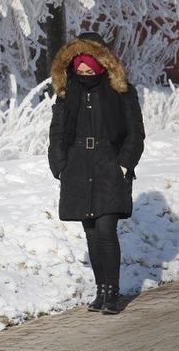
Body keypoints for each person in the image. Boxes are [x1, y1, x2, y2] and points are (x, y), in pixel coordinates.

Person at [47, 31, 145, 315]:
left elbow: (135, 133)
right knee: (90, 232)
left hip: (109, 165)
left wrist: (124, 164)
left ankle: (113, 292)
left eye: (90, 67)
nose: (85, 72)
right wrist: (59, 164)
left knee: (105, 229)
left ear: (102, 63)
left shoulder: (121, 90)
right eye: (79, 68)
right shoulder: (67, 92)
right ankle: (101, 290)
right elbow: (57, 132)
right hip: (77, 166)